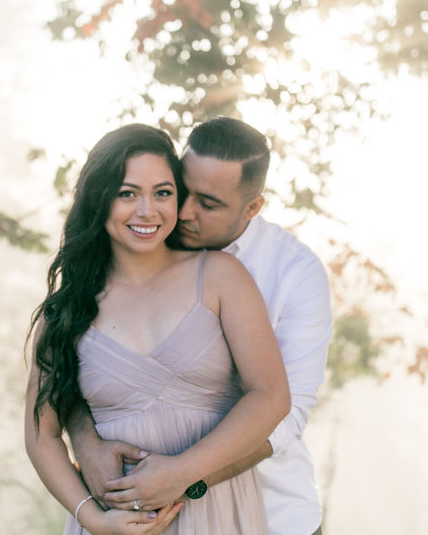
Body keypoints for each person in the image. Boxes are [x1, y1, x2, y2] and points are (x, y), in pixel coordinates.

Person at [70, 117, 334, 535]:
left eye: (208, 204)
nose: (184, 212)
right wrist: (86, 444)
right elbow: (77, 366)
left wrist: (183, 480)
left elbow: (287, 413)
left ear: (252, 208)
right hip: (135, 515)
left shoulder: (295, 272)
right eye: (182, 190)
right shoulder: (144, 237)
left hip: (273, 513)